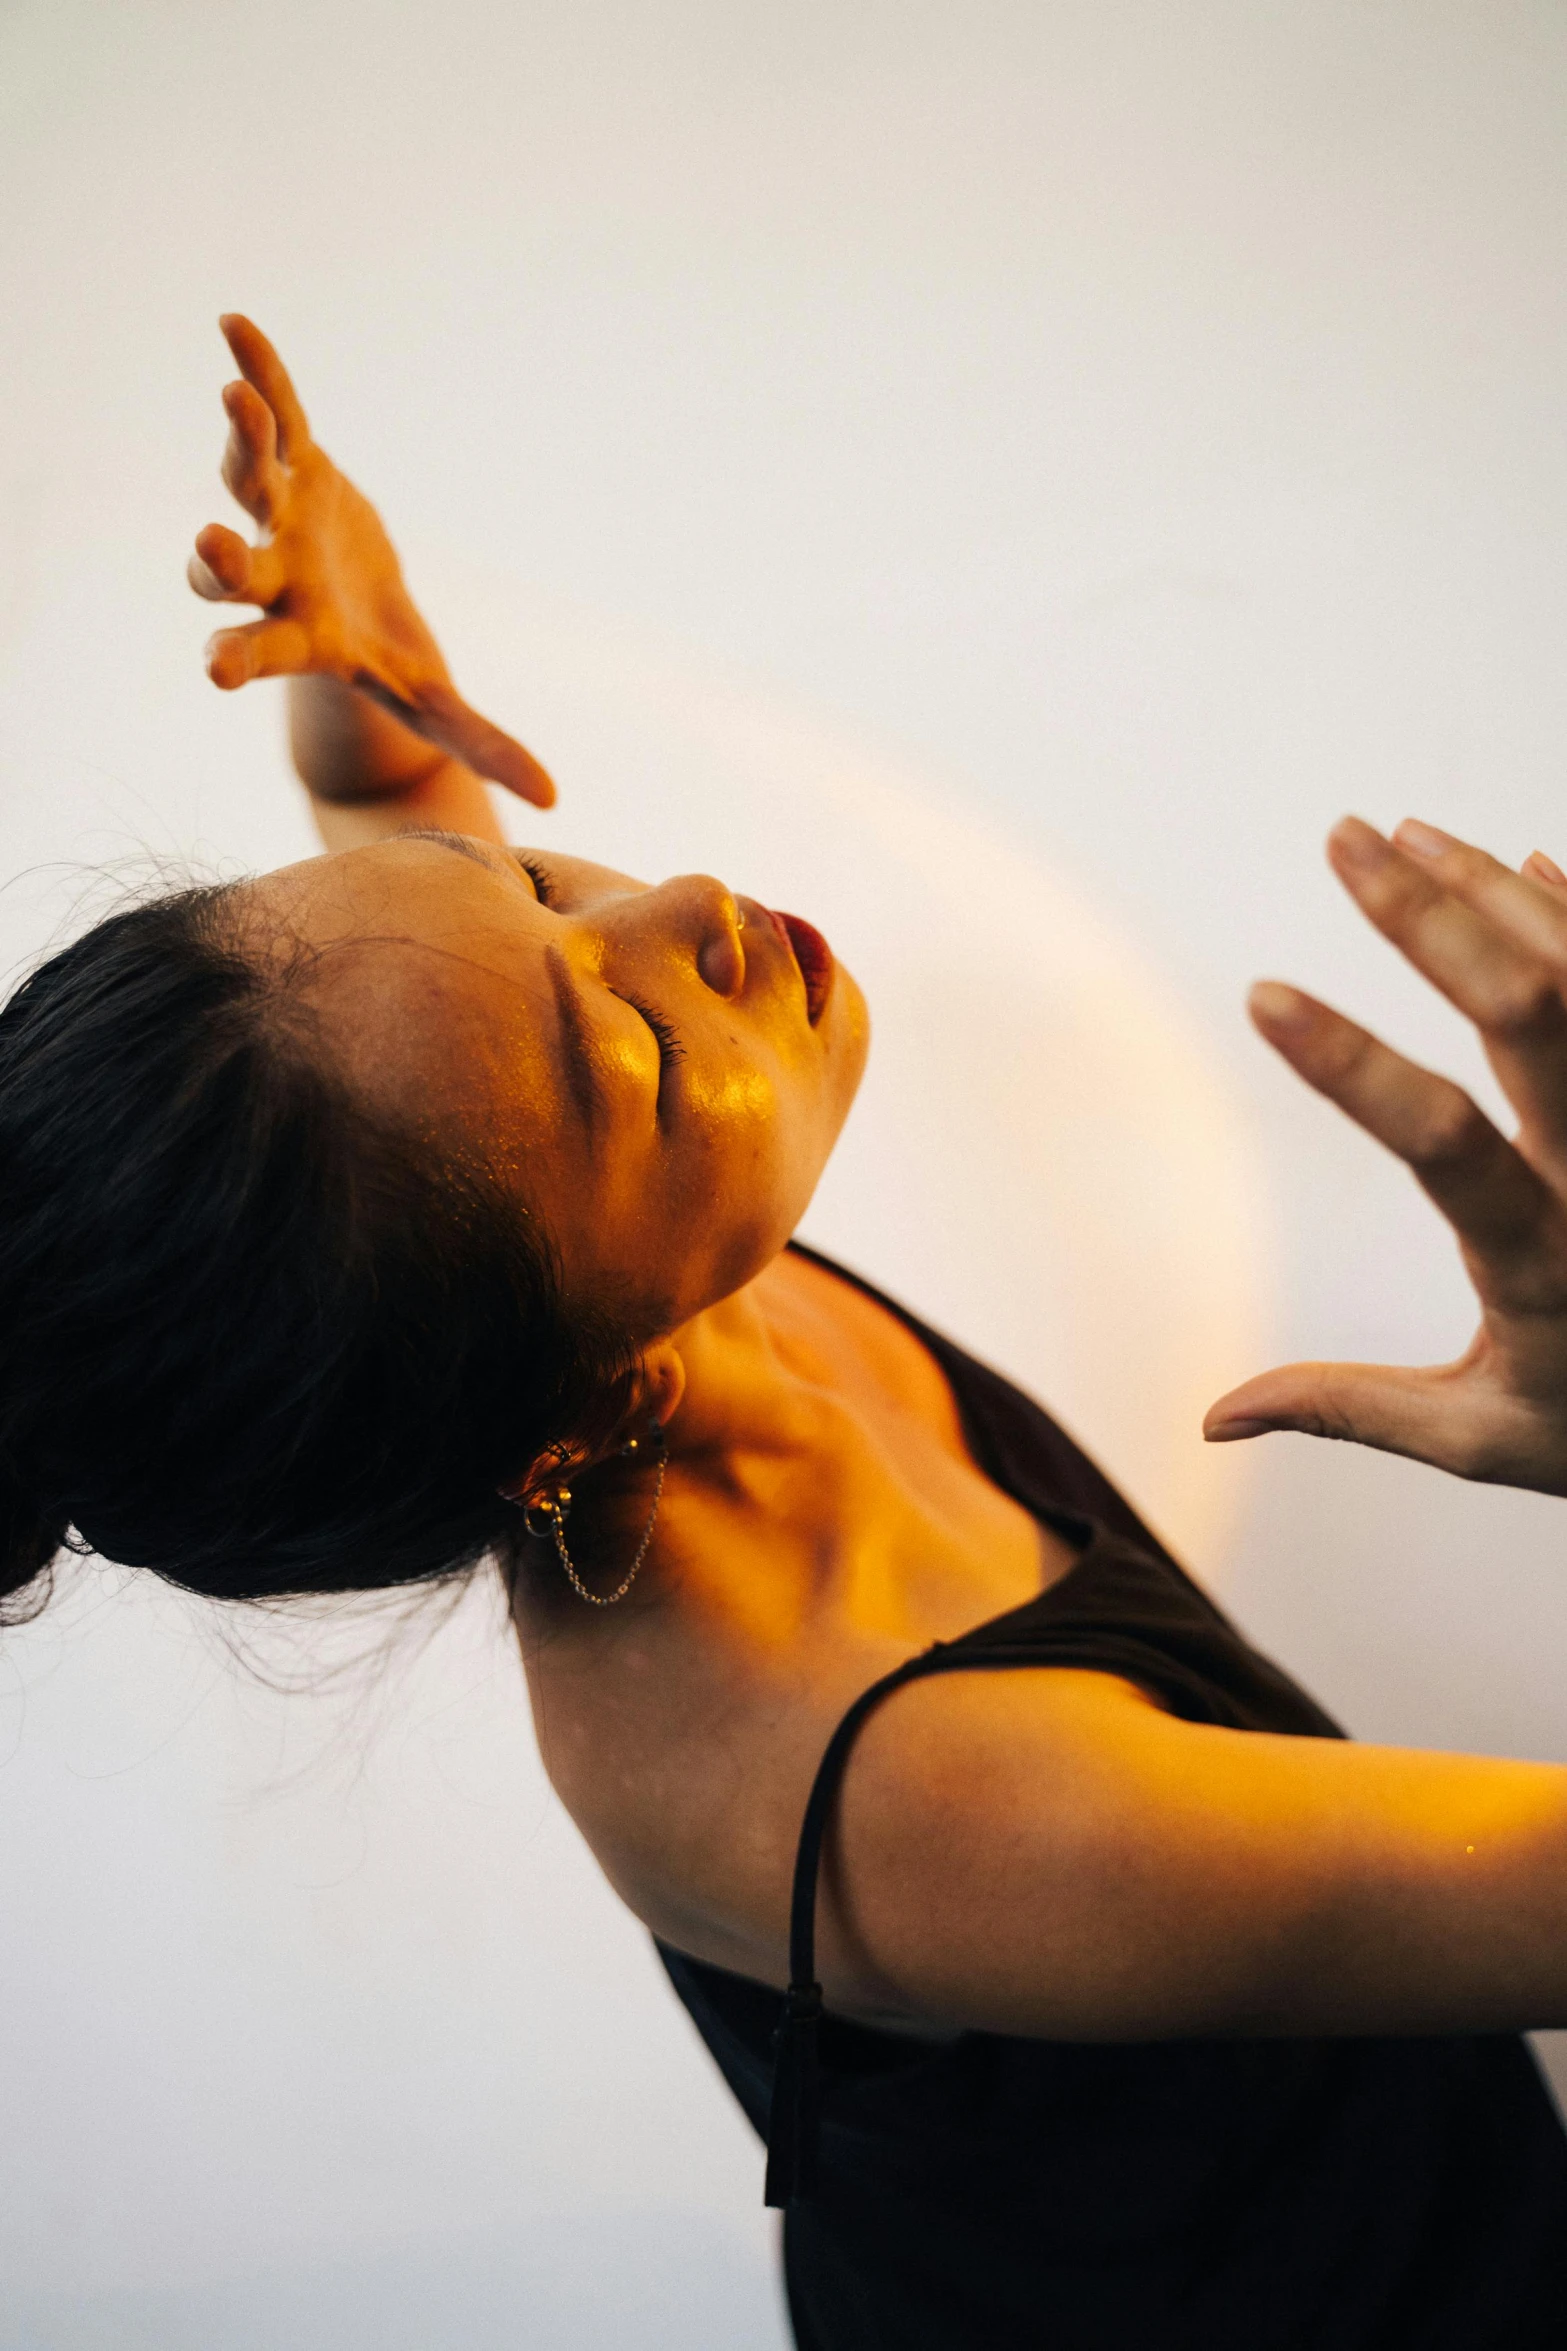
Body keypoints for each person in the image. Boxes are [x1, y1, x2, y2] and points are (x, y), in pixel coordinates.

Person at [4, 319, 1567, 2350]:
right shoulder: (917, 1817)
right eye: (641, 1046)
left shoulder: (522, 1239)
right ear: (552, 1417)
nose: (693, 905)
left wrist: (358, 691)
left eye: (551, 884)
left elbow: (418, 865)